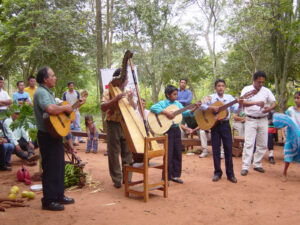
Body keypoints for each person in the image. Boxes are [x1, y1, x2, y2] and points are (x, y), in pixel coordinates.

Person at [34, 66, 85, 211]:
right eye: (53, 75)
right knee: (50, 167)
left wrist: (72, 107)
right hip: (46, 136)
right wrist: (65, 108)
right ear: (45, 79)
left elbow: (57, 114)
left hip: (54, 134)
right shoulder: (41, 92)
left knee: (59, 166)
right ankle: (48, 200)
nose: (55, 77)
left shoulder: (48, 92)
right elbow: (50, 109)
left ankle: (58, 195)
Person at [151, 85, 200, 184]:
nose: (176, 96)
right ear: (168, 95)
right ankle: (165, 177)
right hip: (168, 131)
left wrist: (194, 109)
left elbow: (185, 113)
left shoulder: (178, 104)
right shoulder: (163, 103)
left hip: (176, 130)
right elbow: (153, 107)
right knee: (168, 154)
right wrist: (166, 113)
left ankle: (175, 175)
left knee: (177, 152)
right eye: (174, 94)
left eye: (176, 94)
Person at [200, 79, 242, 183]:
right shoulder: (210, 97)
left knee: (228, 149)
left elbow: (236, 110)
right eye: (218, 86)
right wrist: (211, 107)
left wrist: (240, 104)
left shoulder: (229, 98)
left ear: (225, 87)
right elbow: (200, 104)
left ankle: (230, 174)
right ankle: (217, 172)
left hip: (226, 125)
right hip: (215, 125)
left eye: (222, 86)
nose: (220, 87)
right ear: (215, 87)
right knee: (215, 149)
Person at [101, 68, 136, 189]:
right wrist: (115, 99)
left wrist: (131, 99)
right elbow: (103, 107)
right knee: (114, 152)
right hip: (113, 124)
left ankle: (128, 178)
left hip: (126, 124)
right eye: (124, 79)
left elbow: (134, 107)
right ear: (117, 79)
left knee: (128, 152)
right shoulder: (108, 91)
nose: (126, 81)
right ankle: (117, 178)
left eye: (126, 79)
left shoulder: (128, 91)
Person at [240, 71, 276, 176]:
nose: (260, 84)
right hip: (250, 119)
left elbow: (274, 103)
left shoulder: (266, 91)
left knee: (263, 143)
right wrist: (255, 102)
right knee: (249, 143)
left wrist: (269, 108)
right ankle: (245, 166)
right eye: (258, 82)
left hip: (263, 119)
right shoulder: (247, 89)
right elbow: (241, 102)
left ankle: (257, 164)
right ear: (254, 80)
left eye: (262, 82)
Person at [272, 113, 300, 181]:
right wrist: (284, 136)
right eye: (296, 100)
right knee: (288, 155)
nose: (297, 101)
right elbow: (284, 121)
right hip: (291, 136)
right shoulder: (290, 110)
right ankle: (284, 173)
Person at [62, 81, 85, 145]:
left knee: (78, 125)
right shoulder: (65, 94)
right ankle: (71, 140)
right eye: (70, 86)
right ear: (68, 87)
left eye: (72, 86)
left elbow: (79, 101)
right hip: (68, 112)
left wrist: (80, 104)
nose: (71, 87)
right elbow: (64, 103)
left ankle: (80, 139)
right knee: (70, 126)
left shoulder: (76, 93)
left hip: (76, 111)